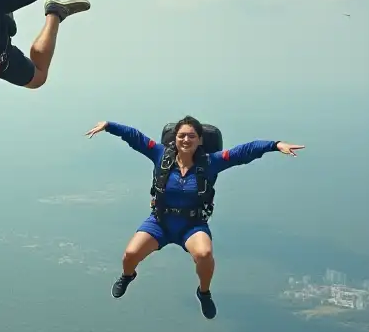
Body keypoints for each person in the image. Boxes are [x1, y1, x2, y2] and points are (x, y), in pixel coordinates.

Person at [85, 116, 304, 318]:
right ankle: (127, 276)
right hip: (160, 221)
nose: (186, 139)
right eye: (181, 135)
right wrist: (109, 126)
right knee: (130, 254)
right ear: (175, 138)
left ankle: (204, 292)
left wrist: (275, 145)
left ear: (200, 140)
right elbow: (136, 137)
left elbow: (244, 151)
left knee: (204, 253)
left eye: (191, 136)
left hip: (192, 225)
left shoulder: (211, 162)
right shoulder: (160, 154)